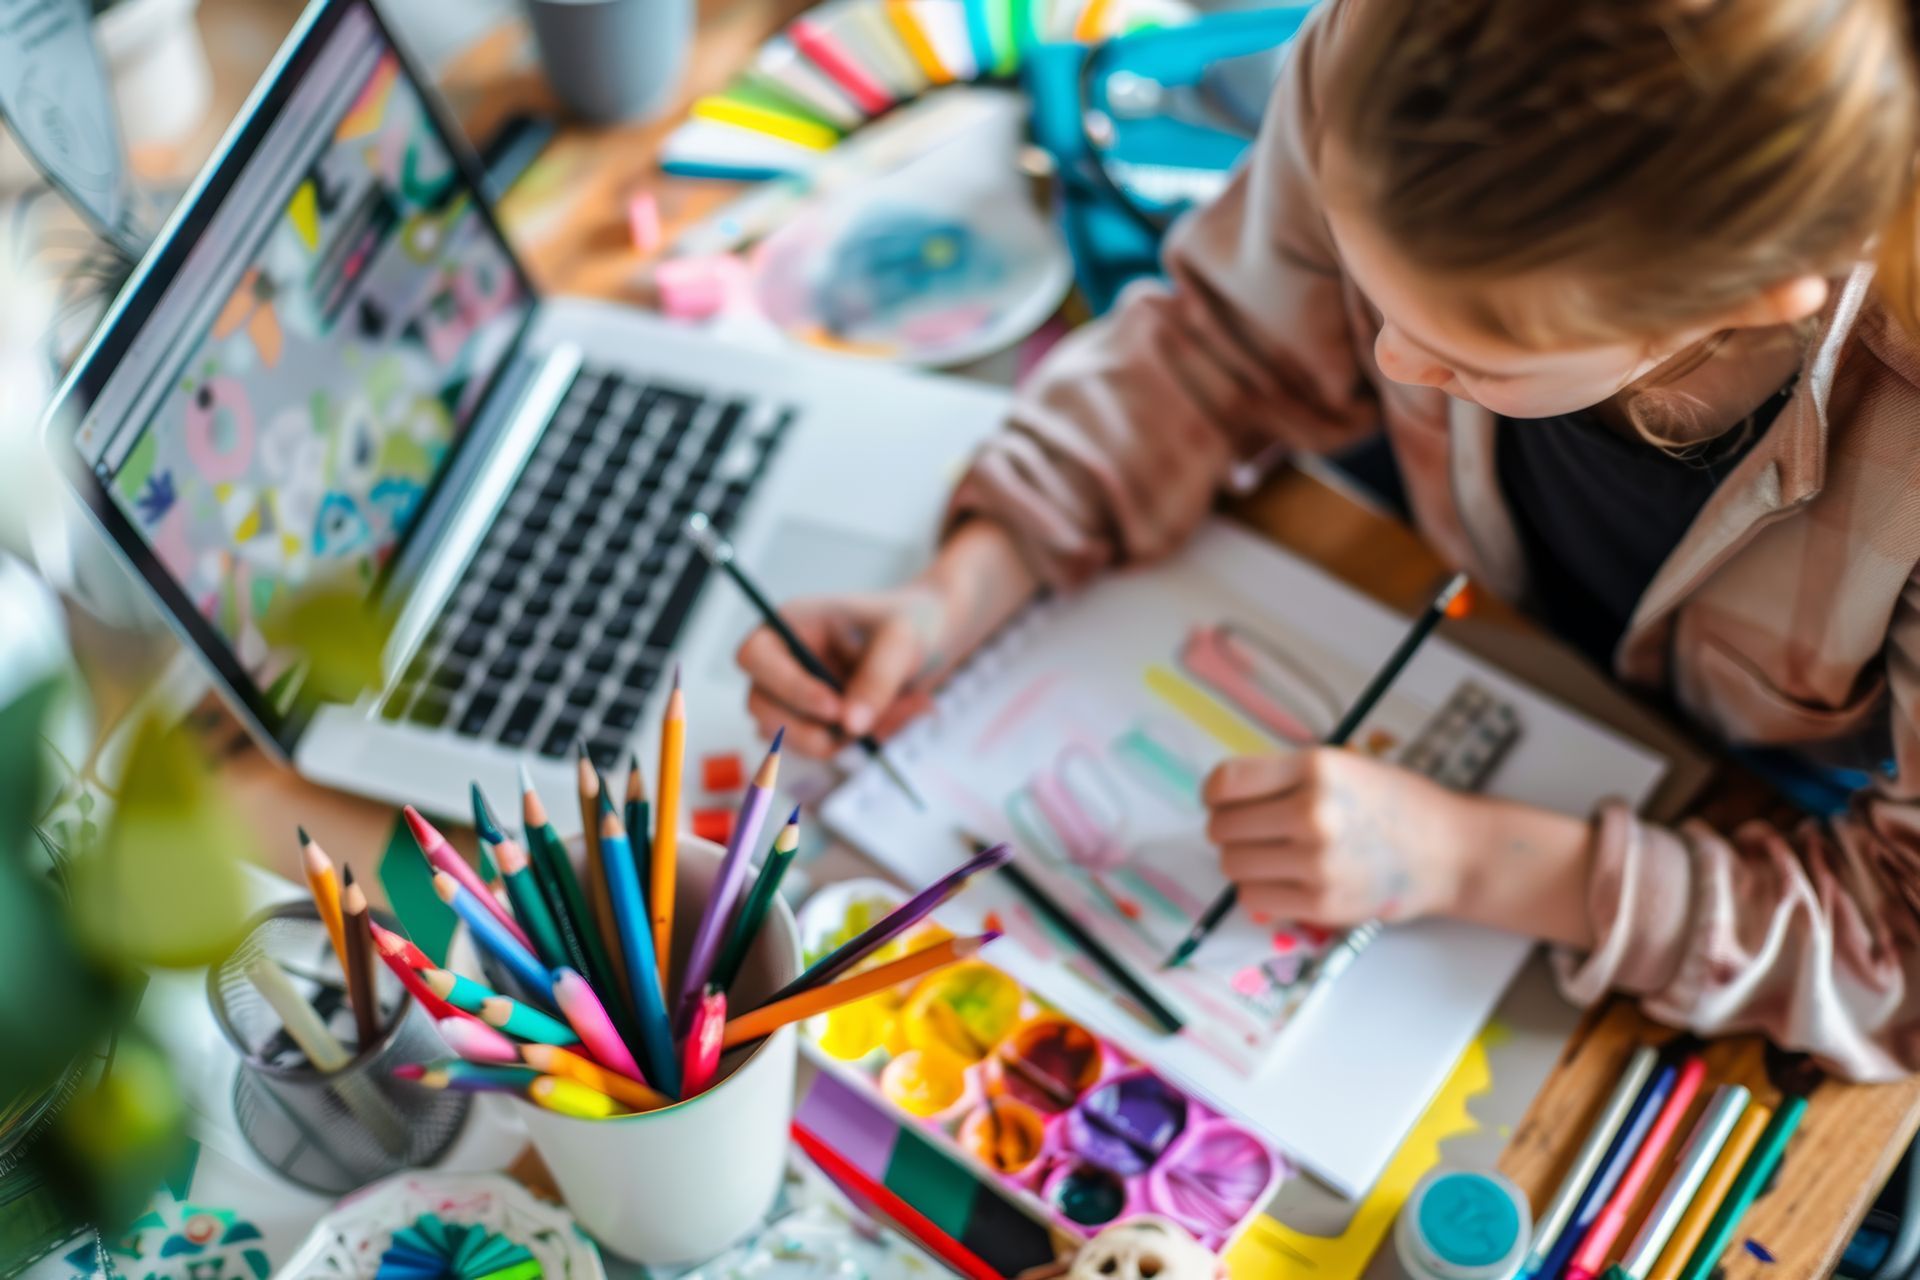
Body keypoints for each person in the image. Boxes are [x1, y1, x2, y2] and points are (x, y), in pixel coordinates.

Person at [735, 0, 1920, 1079]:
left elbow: (1905, 950)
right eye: (1371, 290)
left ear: (1756, 299)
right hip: (1473, 627)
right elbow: (1226, 343)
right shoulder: (1387, 57)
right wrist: (971, 578)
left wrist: (1470, 861)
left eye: (1474, 359)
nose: (1392, 365)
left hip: (1758, 820)